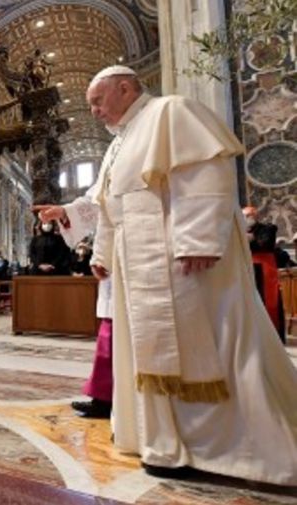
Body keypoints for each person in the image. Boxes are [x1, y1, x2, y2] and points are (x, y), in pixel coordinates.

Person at [86, 65, 297, 483]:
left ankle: (222, 446)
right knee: (146, 348)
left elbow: (204, 174)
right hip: (137, 262)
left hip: (181, 259)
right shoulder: (120, 143)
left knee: (204, 344)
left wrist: (198, 238)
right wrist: (102, 250)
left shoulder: (170, 112)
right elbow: (112, 207)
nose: (93, 111)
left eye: (97, 100)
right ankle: (156, 437)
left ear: (125, 88)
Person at [34, 185, 113, 419]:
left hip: (141, 250)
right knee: (109, 336)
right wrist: (65, 212)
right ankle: (104, 396)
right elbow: (97, 202)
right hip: (114, 256)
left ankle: (116, 399)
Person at [243, 206, 286, 342]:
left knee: (268, 302)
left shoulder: (268, 228)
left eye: (248, 216)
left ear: (255, 216)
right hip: (247, 268)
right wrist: (249, 239)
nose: (246, 219)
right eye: (243, 216)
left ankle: (273, 337)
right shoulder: (241, 231)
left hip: (264, 269)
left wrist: (249, 239)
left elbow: (264, 244)